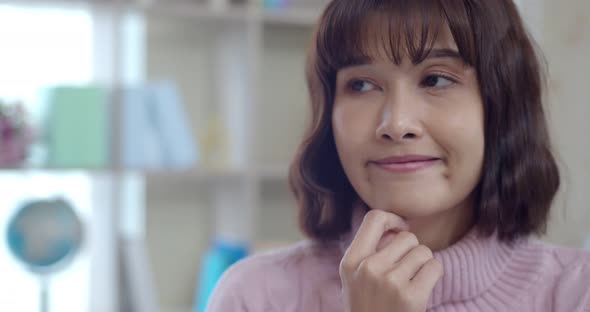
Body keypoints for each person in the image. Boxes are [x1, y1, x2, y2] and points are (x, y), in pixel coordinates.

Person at [206, 0, 590, 311]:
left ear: (501, 104)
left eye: (436, 79)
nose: (397, 123)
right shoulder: (255, 297)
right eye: (361, 84)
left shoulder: (575, 293)